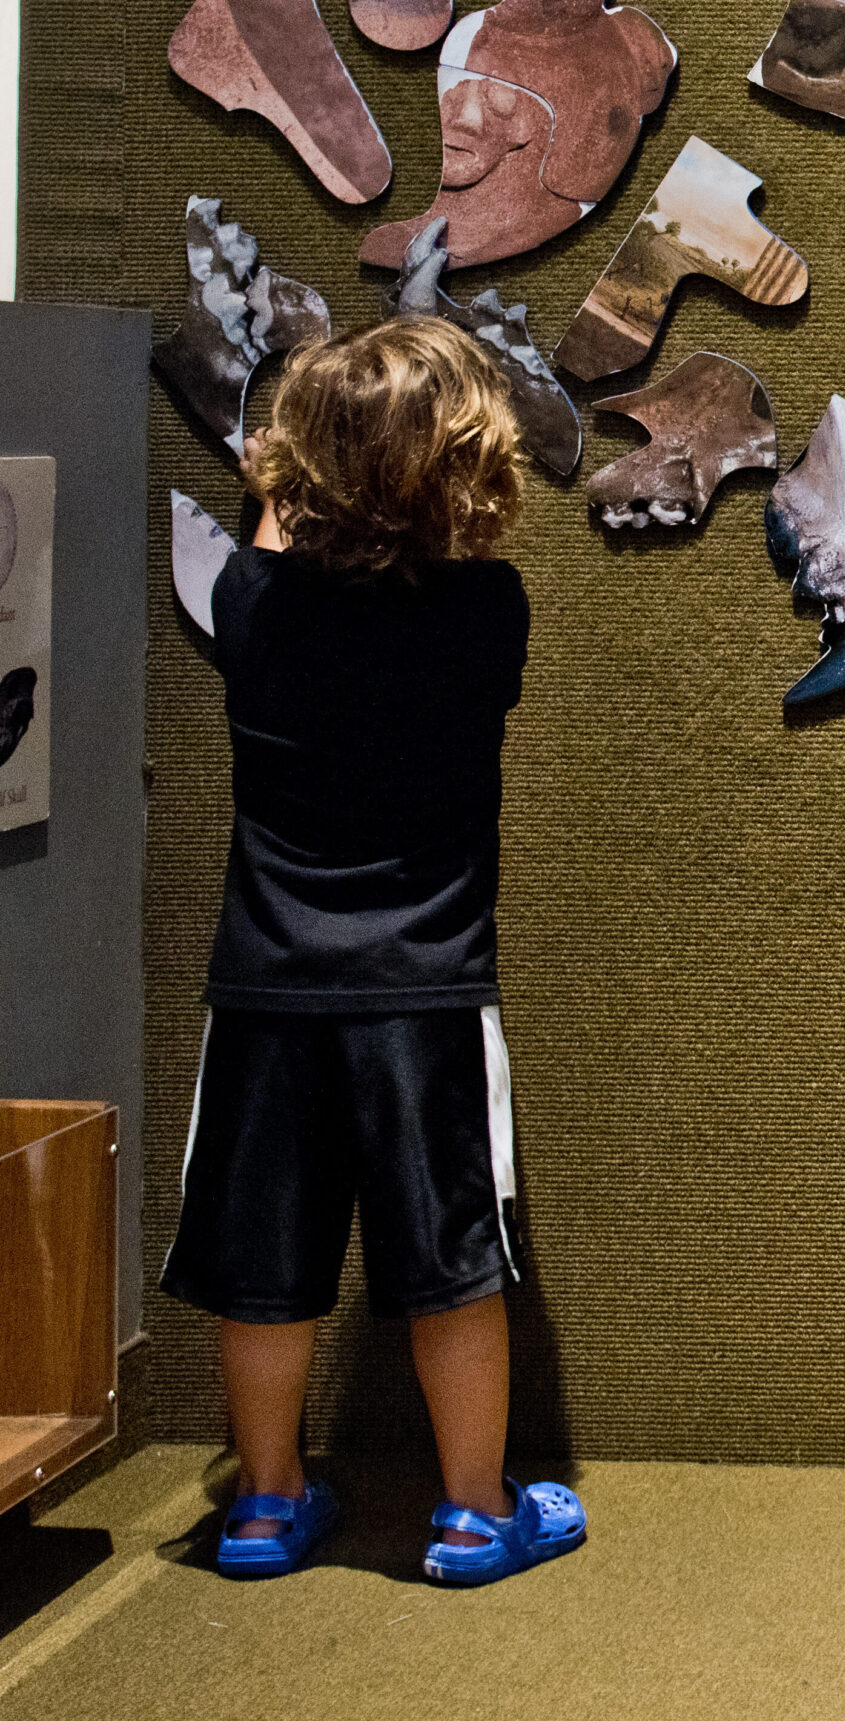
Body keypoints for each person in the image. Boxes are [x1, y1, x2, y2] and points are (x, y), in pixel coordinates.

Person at [160, 318, 586, 1586]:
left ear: (292, 472)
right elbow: (433, 549)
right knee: (457, 1261)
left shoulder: (250, 601)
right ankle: (470, 1510)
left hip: (266, 989)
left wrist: (289, 484)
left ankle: (264, 1501)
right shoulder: (485, 615)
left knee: (267, 1262)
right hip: (429, 993)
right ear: (470, 471)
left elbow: (274, 544)